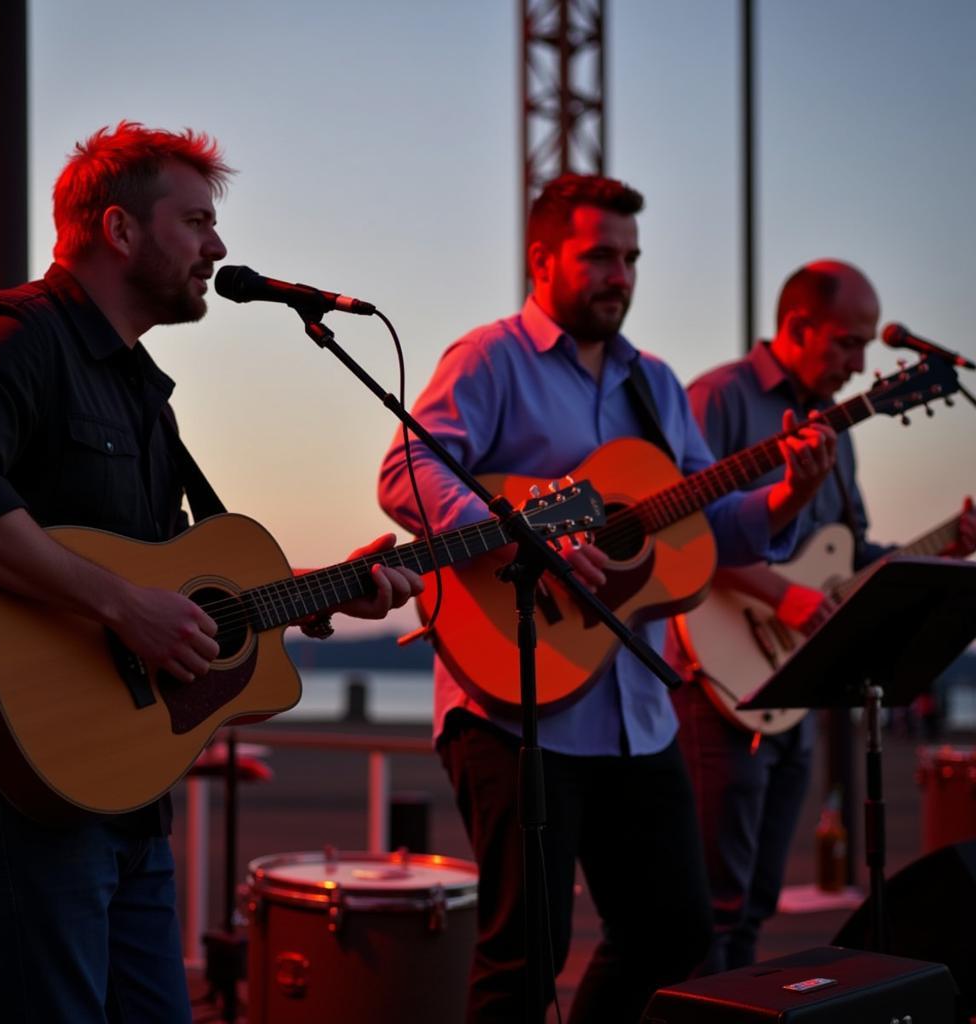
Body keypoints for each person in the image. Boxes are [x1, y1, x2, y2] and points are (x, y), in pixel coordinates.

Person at [0, 121, 422, 1023]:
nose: (219, 246)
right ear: (120, 229)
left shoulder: (142, 392)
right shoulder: (19, 336)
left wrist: (326, 589)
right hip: (27, 792)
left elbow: (182, 587)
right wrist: (125, 607)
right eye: (197, 221)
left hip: (129, 790)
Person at [377, 174, 838, 1022]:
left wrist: (786, 497)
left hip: (636, 709)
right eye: (598, 256)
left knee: (674, 932)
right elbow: (408, 468)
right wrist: (527, 534)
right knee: (526, 957)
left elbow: (704, 530)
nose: (619, 274)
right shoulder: (491, 359)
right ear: (543, 257)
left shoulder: (654, 384)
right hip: (513, 697)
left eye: (630, 258)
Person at [669, 258, 976, 975]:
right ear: (797, 326)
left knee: (755, 903)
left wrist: (946, 546)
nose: (862, 362)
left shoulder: (836, 429)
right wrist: (785, 596)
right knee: (713, 905)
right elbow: (675, 535)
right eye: (847, 342)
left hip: (795, 686)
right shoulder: (719, 399)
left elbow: (851, 550)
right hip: (715, 685)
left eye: (869, 345)